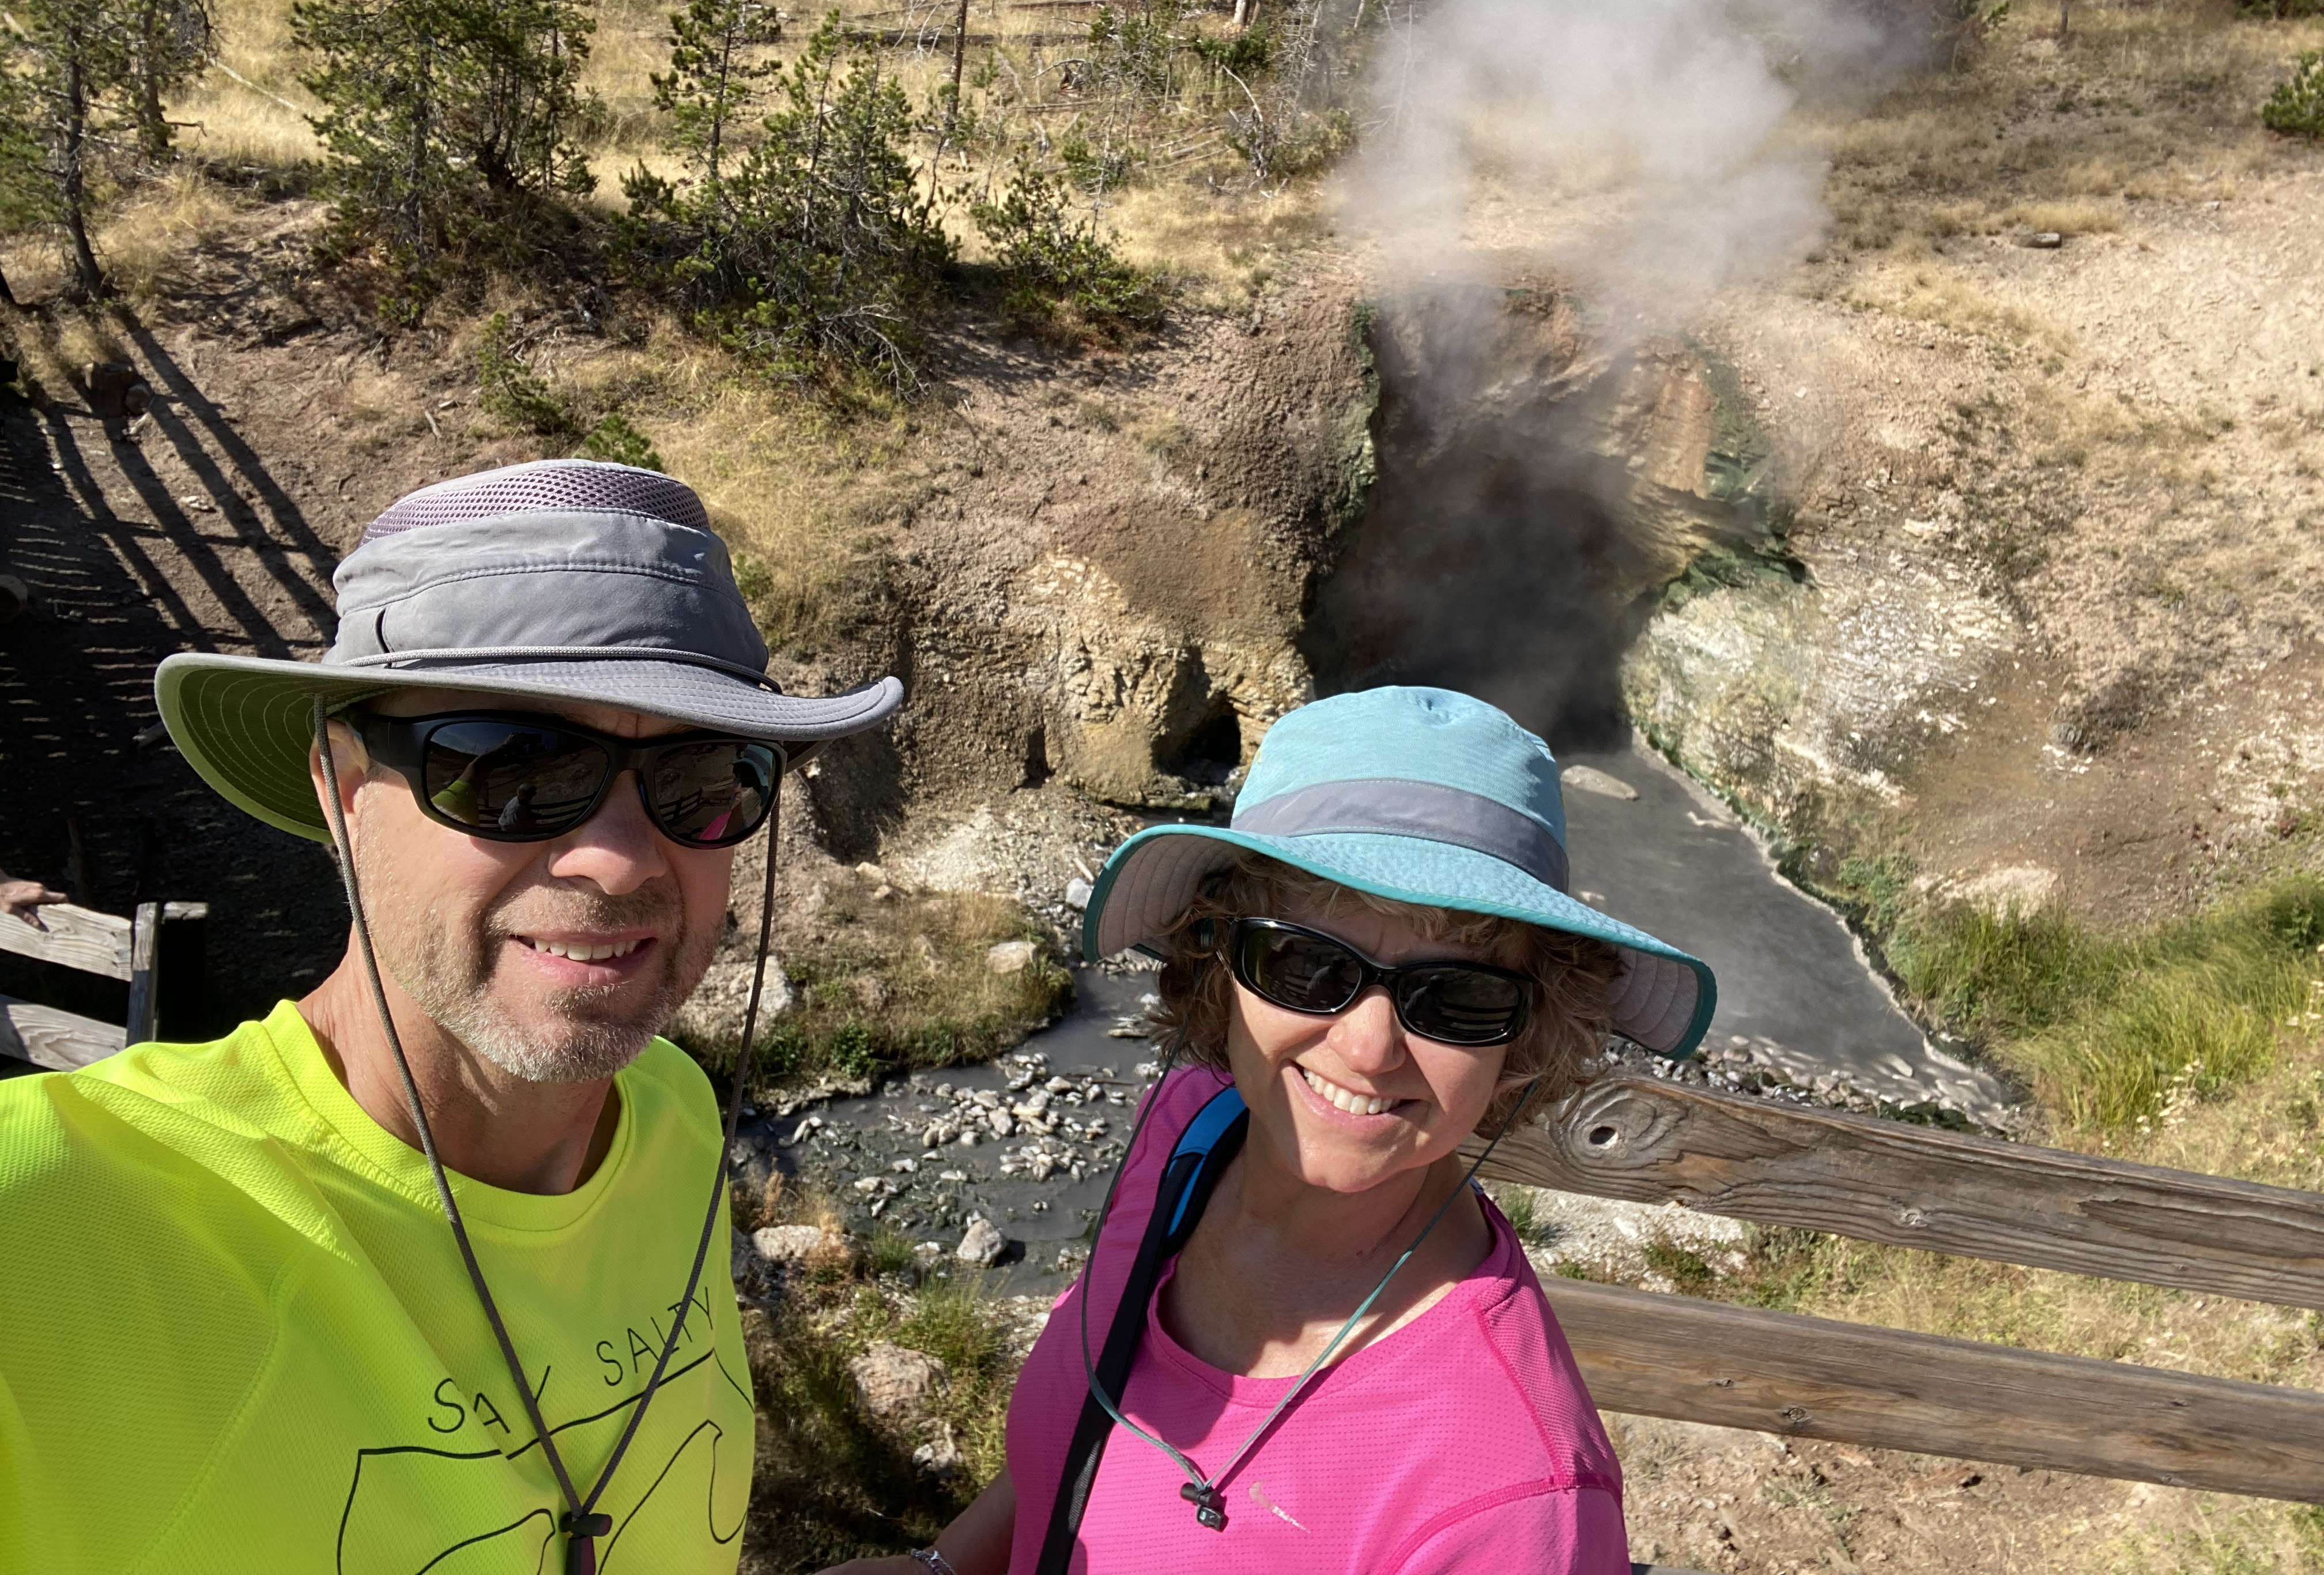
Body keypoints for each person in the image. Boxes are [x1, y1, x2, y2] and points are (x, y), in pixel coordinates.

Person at [0, 459, 902, 1573]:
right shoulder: (61, 1213)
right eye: (511, 766)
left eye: (704, 774)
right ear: (339, 789)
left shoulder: (668, 1113)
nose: (619, 862)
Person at [831, 686, 1717, 1575]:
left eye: (1459, 996)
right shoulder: (1193, 1130)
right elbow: (1081, 1453)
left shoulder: (1515, 1502)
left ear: (1526, 1032)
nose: (1370, 1050)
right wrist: (938, 1568)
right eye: (1306, 963)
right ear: (1217, 957)